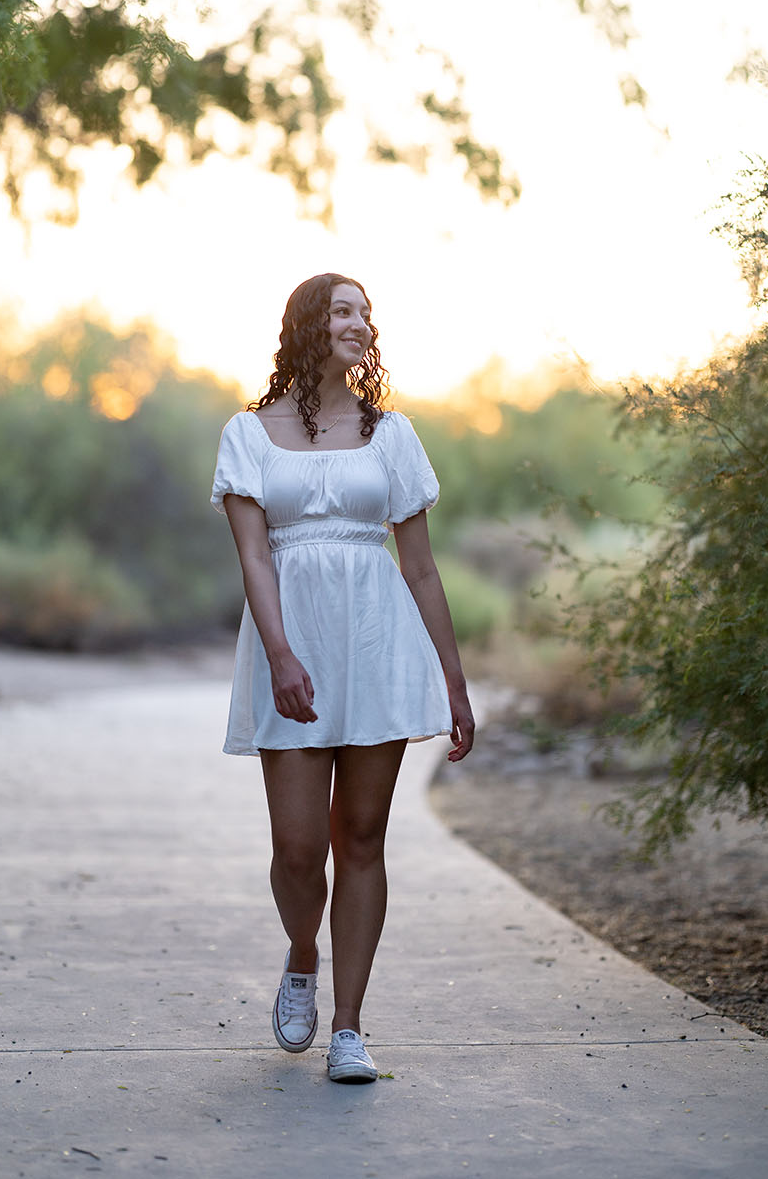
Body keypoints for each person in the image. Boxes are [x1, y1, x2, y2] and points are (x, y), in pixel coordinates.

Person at [210, 272, 474, 1084]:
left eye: (366, 312)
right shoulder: (249, 435)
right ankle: (301, 955)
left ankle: (350, 1029)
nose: (361, 324)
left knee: (360, 839)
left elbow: (421, 571)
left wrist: (454, 682)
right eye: (345, 310)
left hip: (377, 647)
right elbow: (255, 555)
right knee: (298, 851)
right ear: (308, 326)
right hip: (292, 645)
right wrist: (281, 654)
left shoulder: (392, 436)